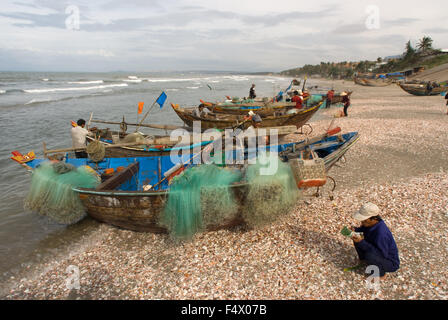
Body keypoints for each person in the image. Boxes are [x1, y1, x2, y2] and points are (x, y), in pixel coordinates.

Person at [350, 203, 400, 280]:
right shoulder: (370, 224)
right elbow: (364, 230)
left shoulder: (381, 233)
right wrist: (356, 230)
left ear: (373, 219)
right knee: (356, 237)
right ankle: (364, 260)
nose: (362, 222)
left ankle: (381, 275)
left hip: (389, 261)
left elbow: (381, 254)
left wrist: (362, 242)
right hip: (376, 249)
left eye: (364, 220)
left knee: (370, 255)